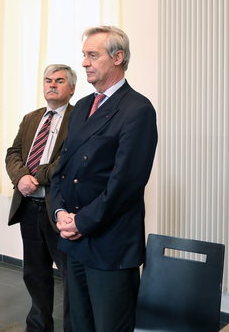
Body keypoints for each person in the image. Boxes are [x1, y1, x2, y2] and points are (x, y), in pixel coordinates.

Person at [50, 26, 158, 332]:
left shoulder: (138, 109)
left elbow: (125, 184)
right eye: (84, 55)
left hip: (110, 243)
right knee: (79, 324)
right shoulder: (83, 106)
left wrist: (80, 223)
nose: (84, 62)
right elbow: (62, 167)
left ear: (118, 58)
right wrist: (59, 213)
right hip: (74, 239)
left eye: (92, 55)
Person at [5, 64, 76, 332]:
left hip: (58, 209)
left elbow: (68, 161)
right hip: (29, 207)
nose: (52, 85)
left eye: (59, 81)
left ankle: (72, 327)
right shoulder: (31, 117)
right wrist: (21, 177)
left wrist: (37, 174)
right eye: (48, 80)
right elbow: (13, 152)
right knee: (35, 273)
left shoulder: (78, 118)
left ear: (71, 88)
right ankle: (38, 326)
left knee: (70, 276)